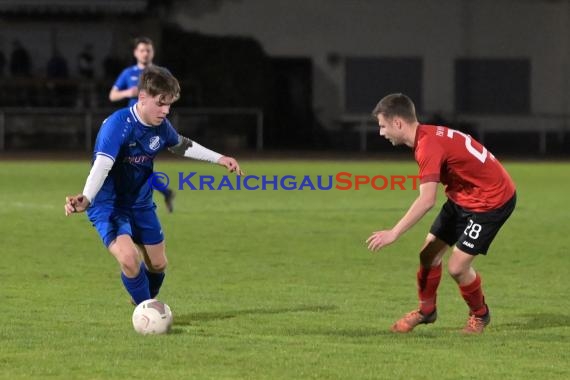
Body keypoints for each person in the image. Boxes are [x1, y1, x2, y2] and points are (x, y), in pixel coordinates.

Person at [64, 66, 244, 305]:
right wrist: (86, 199)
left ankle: (146, 301)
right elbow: (102, 165)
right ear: (142, 98)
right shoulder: (118, 125)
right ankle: (145, 308)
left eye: (169, 105)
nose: (166, 111)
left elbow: (181, 144)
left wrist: (220, 158)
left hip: (141, 203)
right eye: (161, 103)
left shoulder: (160, 126)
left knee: (158, 264)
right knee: (129, 259)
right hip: (109, 205)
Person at [366, 93, 516, 334]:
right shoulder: (427, 135)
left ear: (398, 123)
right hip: (463, 196)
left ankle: (480, 315)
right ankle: (426, 311)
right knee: (428, 255)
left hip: (491, 202)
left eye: (383, 126)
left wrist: (393, 233)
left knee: (457, 267)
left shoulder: (427, 146)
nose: (381, 132)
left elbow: (427, 201)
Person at [108, 36, 176, 212]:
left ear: (152, 52)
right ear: (135, 53)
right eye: (142, 50)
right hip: (130, 125)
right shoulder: (128, 73)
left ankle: (129, 203)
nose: (145, 53)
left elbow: (174, 94)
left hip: (149, 126)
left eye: (148, 50)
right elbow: (112, 95)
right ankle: (164, 192)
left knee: (130, 162)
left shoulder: (161, 73)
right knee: (137, 164)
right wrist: (127, 92)